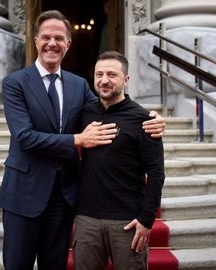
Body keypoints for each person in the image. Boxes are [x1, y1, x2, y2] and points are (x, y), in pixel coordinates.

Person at [0, 10, 165, 270]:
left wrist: (149, 117)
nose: (52, 43)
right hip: (23, 194)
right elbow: (25, 137)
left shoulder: (79, 85)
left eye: (59, 38)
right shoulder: (15, 83)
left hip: (64, 198)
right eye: (46, 37)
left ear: (68, 44)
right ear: (35, 40)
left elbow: (109, 108)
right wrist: (77, 140)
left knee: (55, 264)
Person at [73, 51, 165, 270]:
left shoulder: (143, 119)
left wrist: (146, 219)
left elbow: (156, 173)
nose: (104, 80)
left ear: (126, 79)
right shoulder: (83, 114)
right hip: (87, 219)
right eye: (99, 74)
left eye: (112, 74)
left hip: (127, 222)